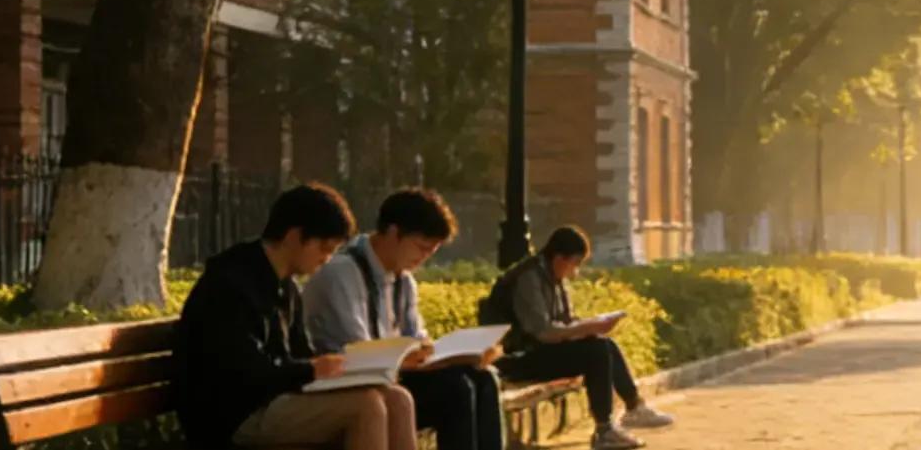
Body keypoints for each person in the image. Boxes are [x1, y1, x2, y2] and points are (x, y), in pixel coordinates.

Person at [178, 183, 417, 450]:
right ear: (294, 236)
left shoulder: (286, 286)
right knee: (366, 406)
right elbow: (246, 370)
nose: (326, 259)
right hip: (235, 414)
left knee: (397, 399)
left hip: (275, 399)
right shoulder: (231, 284)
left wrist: (339, 371)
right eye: (324, 248)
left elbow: (299, 353)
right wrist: (311, 369)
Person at [303, 189, 502, 450]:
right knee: (456, 388)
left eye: (431, 251)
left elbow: (417, 340)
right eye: (421, 247)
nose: (424, 258)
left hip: (394, 377)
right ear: (393, 232)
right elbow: (361, 354)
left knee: (484, 378)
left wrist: (457, 355)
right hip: (353, 383)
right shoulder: (342, 273)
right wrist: (417, 357)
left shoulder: (404, 280)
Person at [484, 227, 673, 450]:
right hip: (518, 358)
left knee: (604, 344)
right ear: (559, 258)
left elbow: (566, 322)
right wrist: (585, 328)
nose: (575, 271)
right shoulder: (528, 278)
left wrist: (591, 326)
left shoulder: (554, 277)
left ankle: (634, 407)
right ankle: (604, 430)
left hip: (540, 352)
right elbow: (543, 332)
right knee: (596, 351)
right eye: (574, 263)